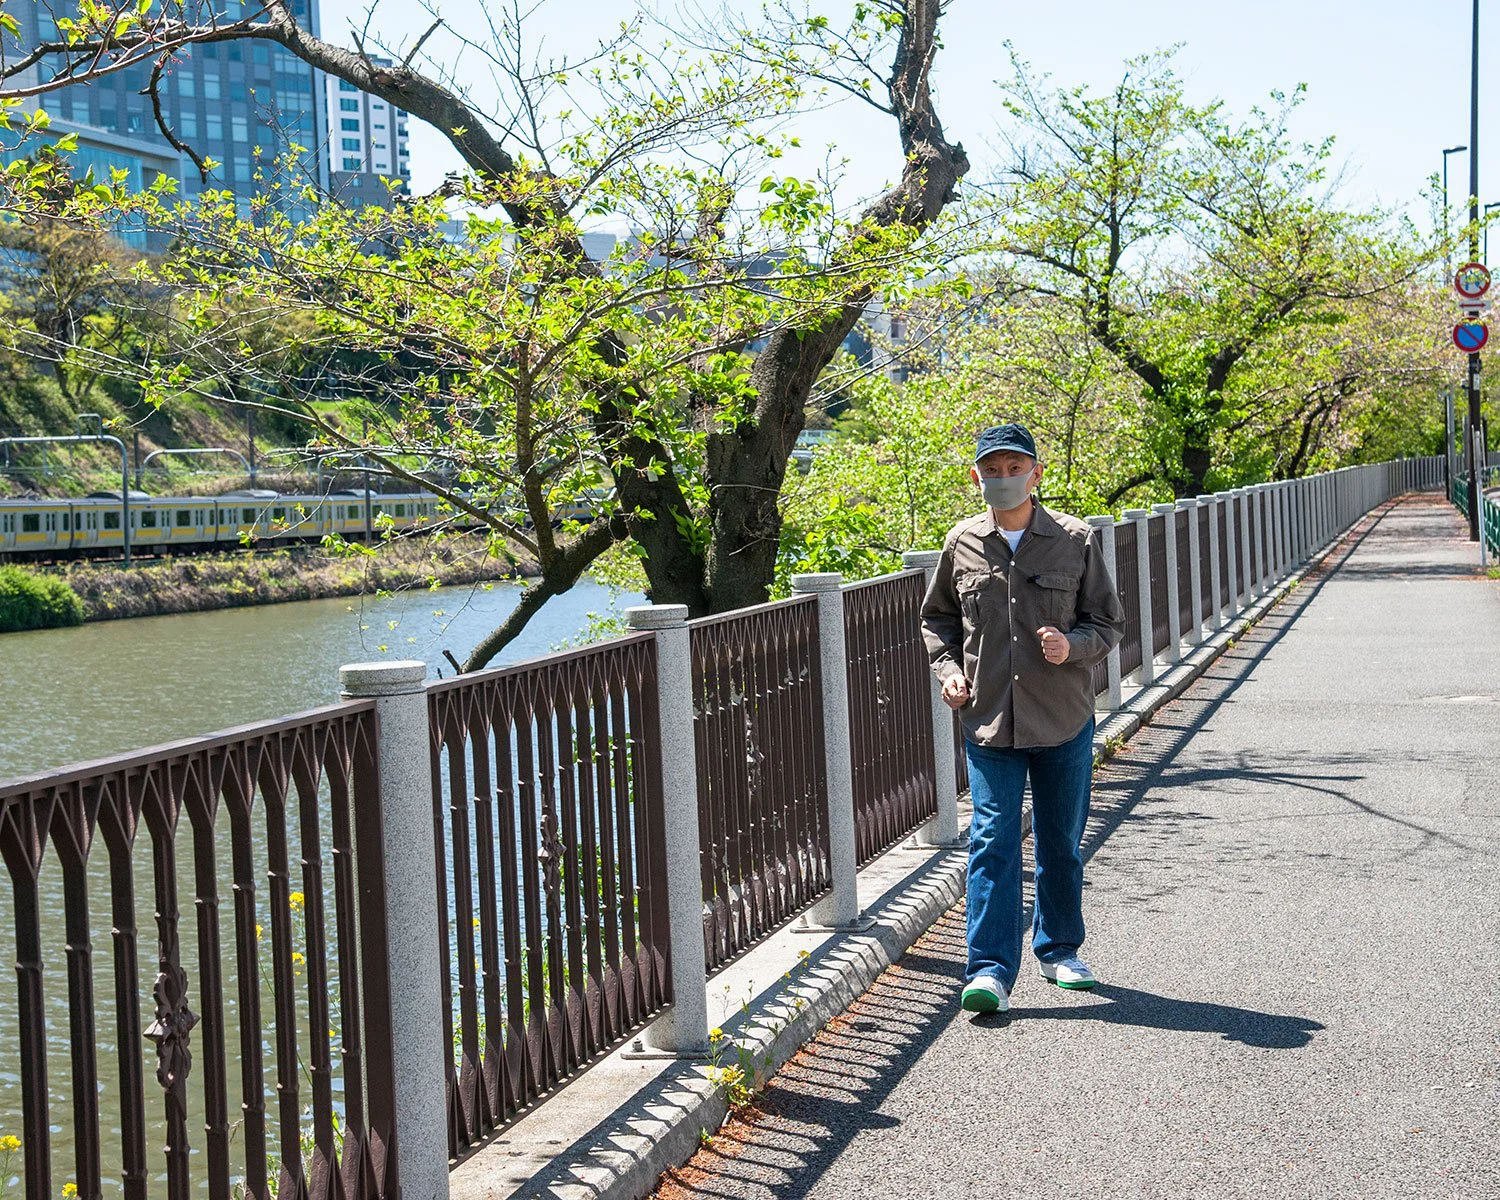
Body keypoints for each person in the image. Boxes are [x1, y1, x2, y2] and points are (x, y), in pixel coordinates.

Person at [920, 423, 1124, 1014]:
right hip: (987, 722)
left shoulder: (1074, 539)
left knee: (1060, 840)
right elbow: (938, 620)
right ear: (976, 475)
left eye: (1015, 469)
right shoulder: (961, 543)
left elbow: (1108, 623)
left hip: (1062, 718)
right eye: (993, 470)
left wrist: (1072, 646)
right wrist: (948, 670)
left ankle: (1060, 950)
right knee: (992, 840)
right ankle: (988, 970)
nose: (1003, 479)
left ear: (1036, 474)